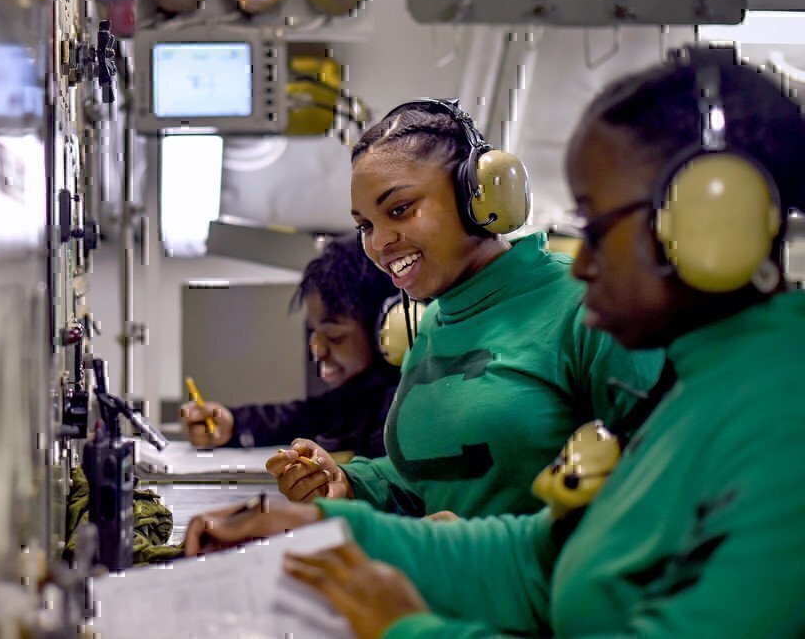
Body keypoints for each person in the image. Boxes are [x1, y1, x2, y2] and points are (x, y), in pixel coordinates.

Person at [184, 46, 805, 637]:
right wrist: (325, 522)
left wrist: (410, 629)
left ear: (710, 218)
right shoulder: (705, 387)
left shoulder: (781, 423)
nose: (583, 263)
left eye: (599, 225)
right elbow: (543, 556)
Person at [264, 96, 663, 519]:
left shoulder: (586, 305)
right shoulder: (435, 319)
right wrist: (351, 483)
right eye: (365, 225)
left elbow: (657, 488)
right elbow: (432, 478)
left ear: (478, 197)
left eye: (399, 210)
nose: (378, 243)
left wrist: (476, 547)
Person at [179, 236, 401, 458]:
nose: (318, 349)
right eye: (314, 332)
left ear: (387, 328)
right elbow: (309, 416)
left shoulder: (400, 411)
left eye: (334, 336)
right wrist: (234, 424)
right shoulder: (357, 399)